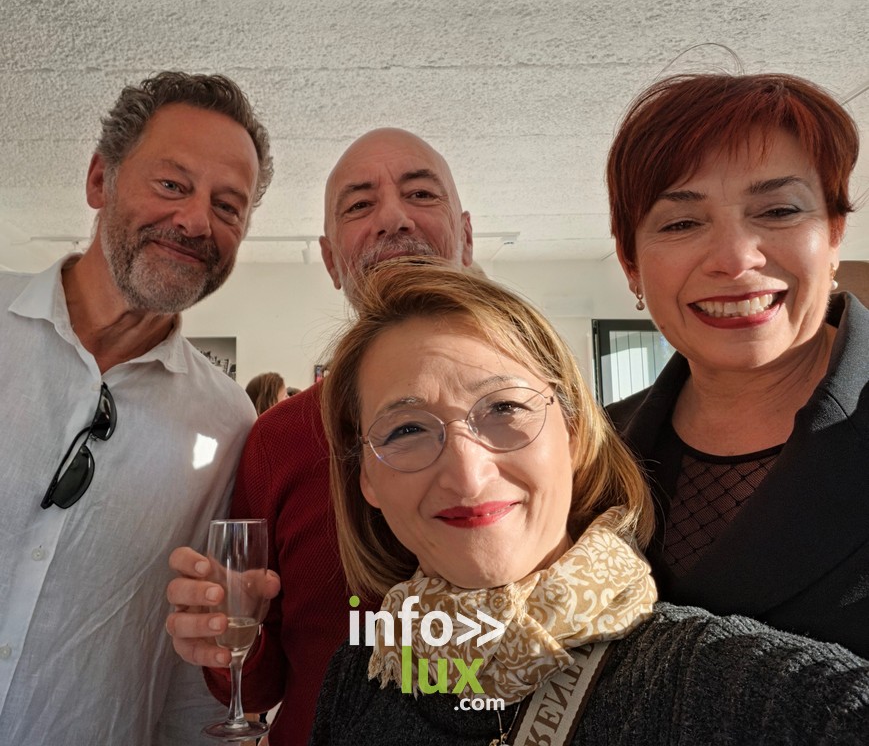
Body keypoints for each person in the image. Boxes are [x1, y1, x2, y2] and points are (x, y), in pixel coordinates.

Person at [309, 258, 869, 745]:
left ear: (574, 433)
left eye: (504, 408)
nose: (467, 475)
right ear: (367, 478)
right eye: (406, 430)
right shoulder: (361, 674)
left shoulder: (711, 682)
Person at [165, 127, 474, 745]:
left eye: (420, 194)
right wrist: (221, 638)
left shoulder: (549, 418)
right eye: (359, 205)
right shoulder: (278, 440)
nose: (393, 218)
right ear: (331, 261)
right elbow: (256, 688)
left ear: (466, 236)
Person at [0, 71, 272, 744]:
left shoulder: (227, 423)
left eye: (228, 206)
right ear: (100, 180)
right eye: (172, 184)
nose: (196, 222)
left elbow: (189, 669)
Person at [605, 72, 869, 657]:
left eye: (778, 211)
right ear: (631, 264)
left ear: (834, 233)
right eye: (681, 223)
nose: (734, 258)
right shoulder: (590, 453)